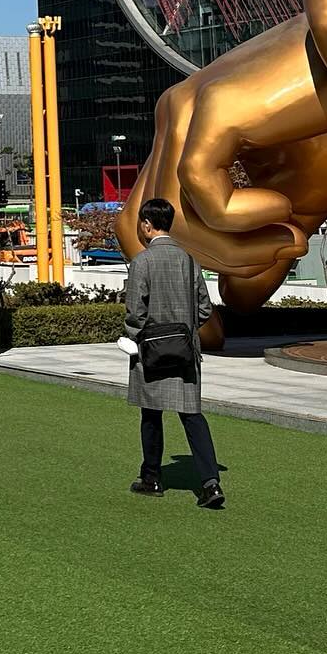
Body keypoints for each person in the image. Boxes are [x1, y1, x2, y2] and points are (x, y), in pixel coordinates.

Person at [123, 196, 224, 509]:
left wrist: (134, 337)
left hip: (151, 349)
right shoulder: (189, 260)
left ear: (147, 225)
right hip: (185, 349)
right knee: (192, 416)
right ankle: (210, 483)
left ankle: (151, 477)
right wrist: (189, 330)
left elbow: (135, 311)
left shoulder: (142, 261)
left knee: (151, 414)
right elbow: (205, 308)